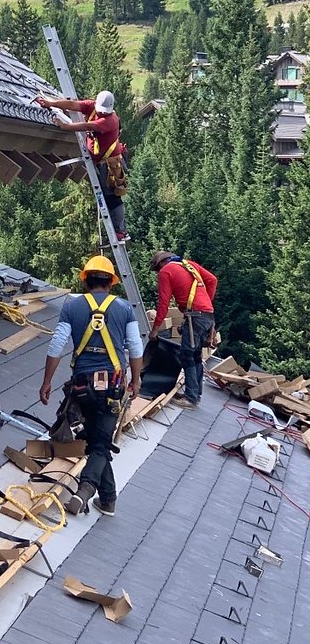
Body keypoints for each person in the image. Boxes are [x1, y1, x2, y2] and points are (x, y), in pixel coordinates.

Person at [39, 255, 143, 518]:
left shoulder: (72, 306)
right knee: (100, 445)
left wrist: (47, 382)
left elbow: (56, 345)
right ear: (111, 282)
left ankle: (107, 499)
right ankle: (86, 491)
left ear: (86, 280)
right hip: (113, 387)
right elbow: (135, 347)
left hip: (82, 388)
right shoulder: (124, 308)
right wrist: (136, 379)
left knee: (96, 441)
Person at [36, 90, 129, 241]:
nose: (101, 112)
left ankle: (120, 231)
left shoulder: (110, 121)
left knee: (112, 197)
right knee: (108, 197)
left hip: (111, 164)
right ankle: (119, 230)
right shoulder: (92, 106)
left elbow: (87, 126)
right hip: (102, 162)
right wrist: (51, 103)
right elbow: (74, 105)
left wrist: (65, 126)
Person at [148, 251, 217, 409]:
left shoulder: (166, 271)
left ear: (161, 264)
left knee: (186, 355)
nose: (159, 273)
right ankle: (195, 393)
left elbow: (163, 304)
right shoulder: (189, 265)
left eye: (157, 269)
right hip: (207, 316)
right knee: (196, 355)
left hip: (196, 317)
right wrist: (206, 302)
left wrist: (155, 330)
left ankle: (191, 398)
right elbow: (212, 280)